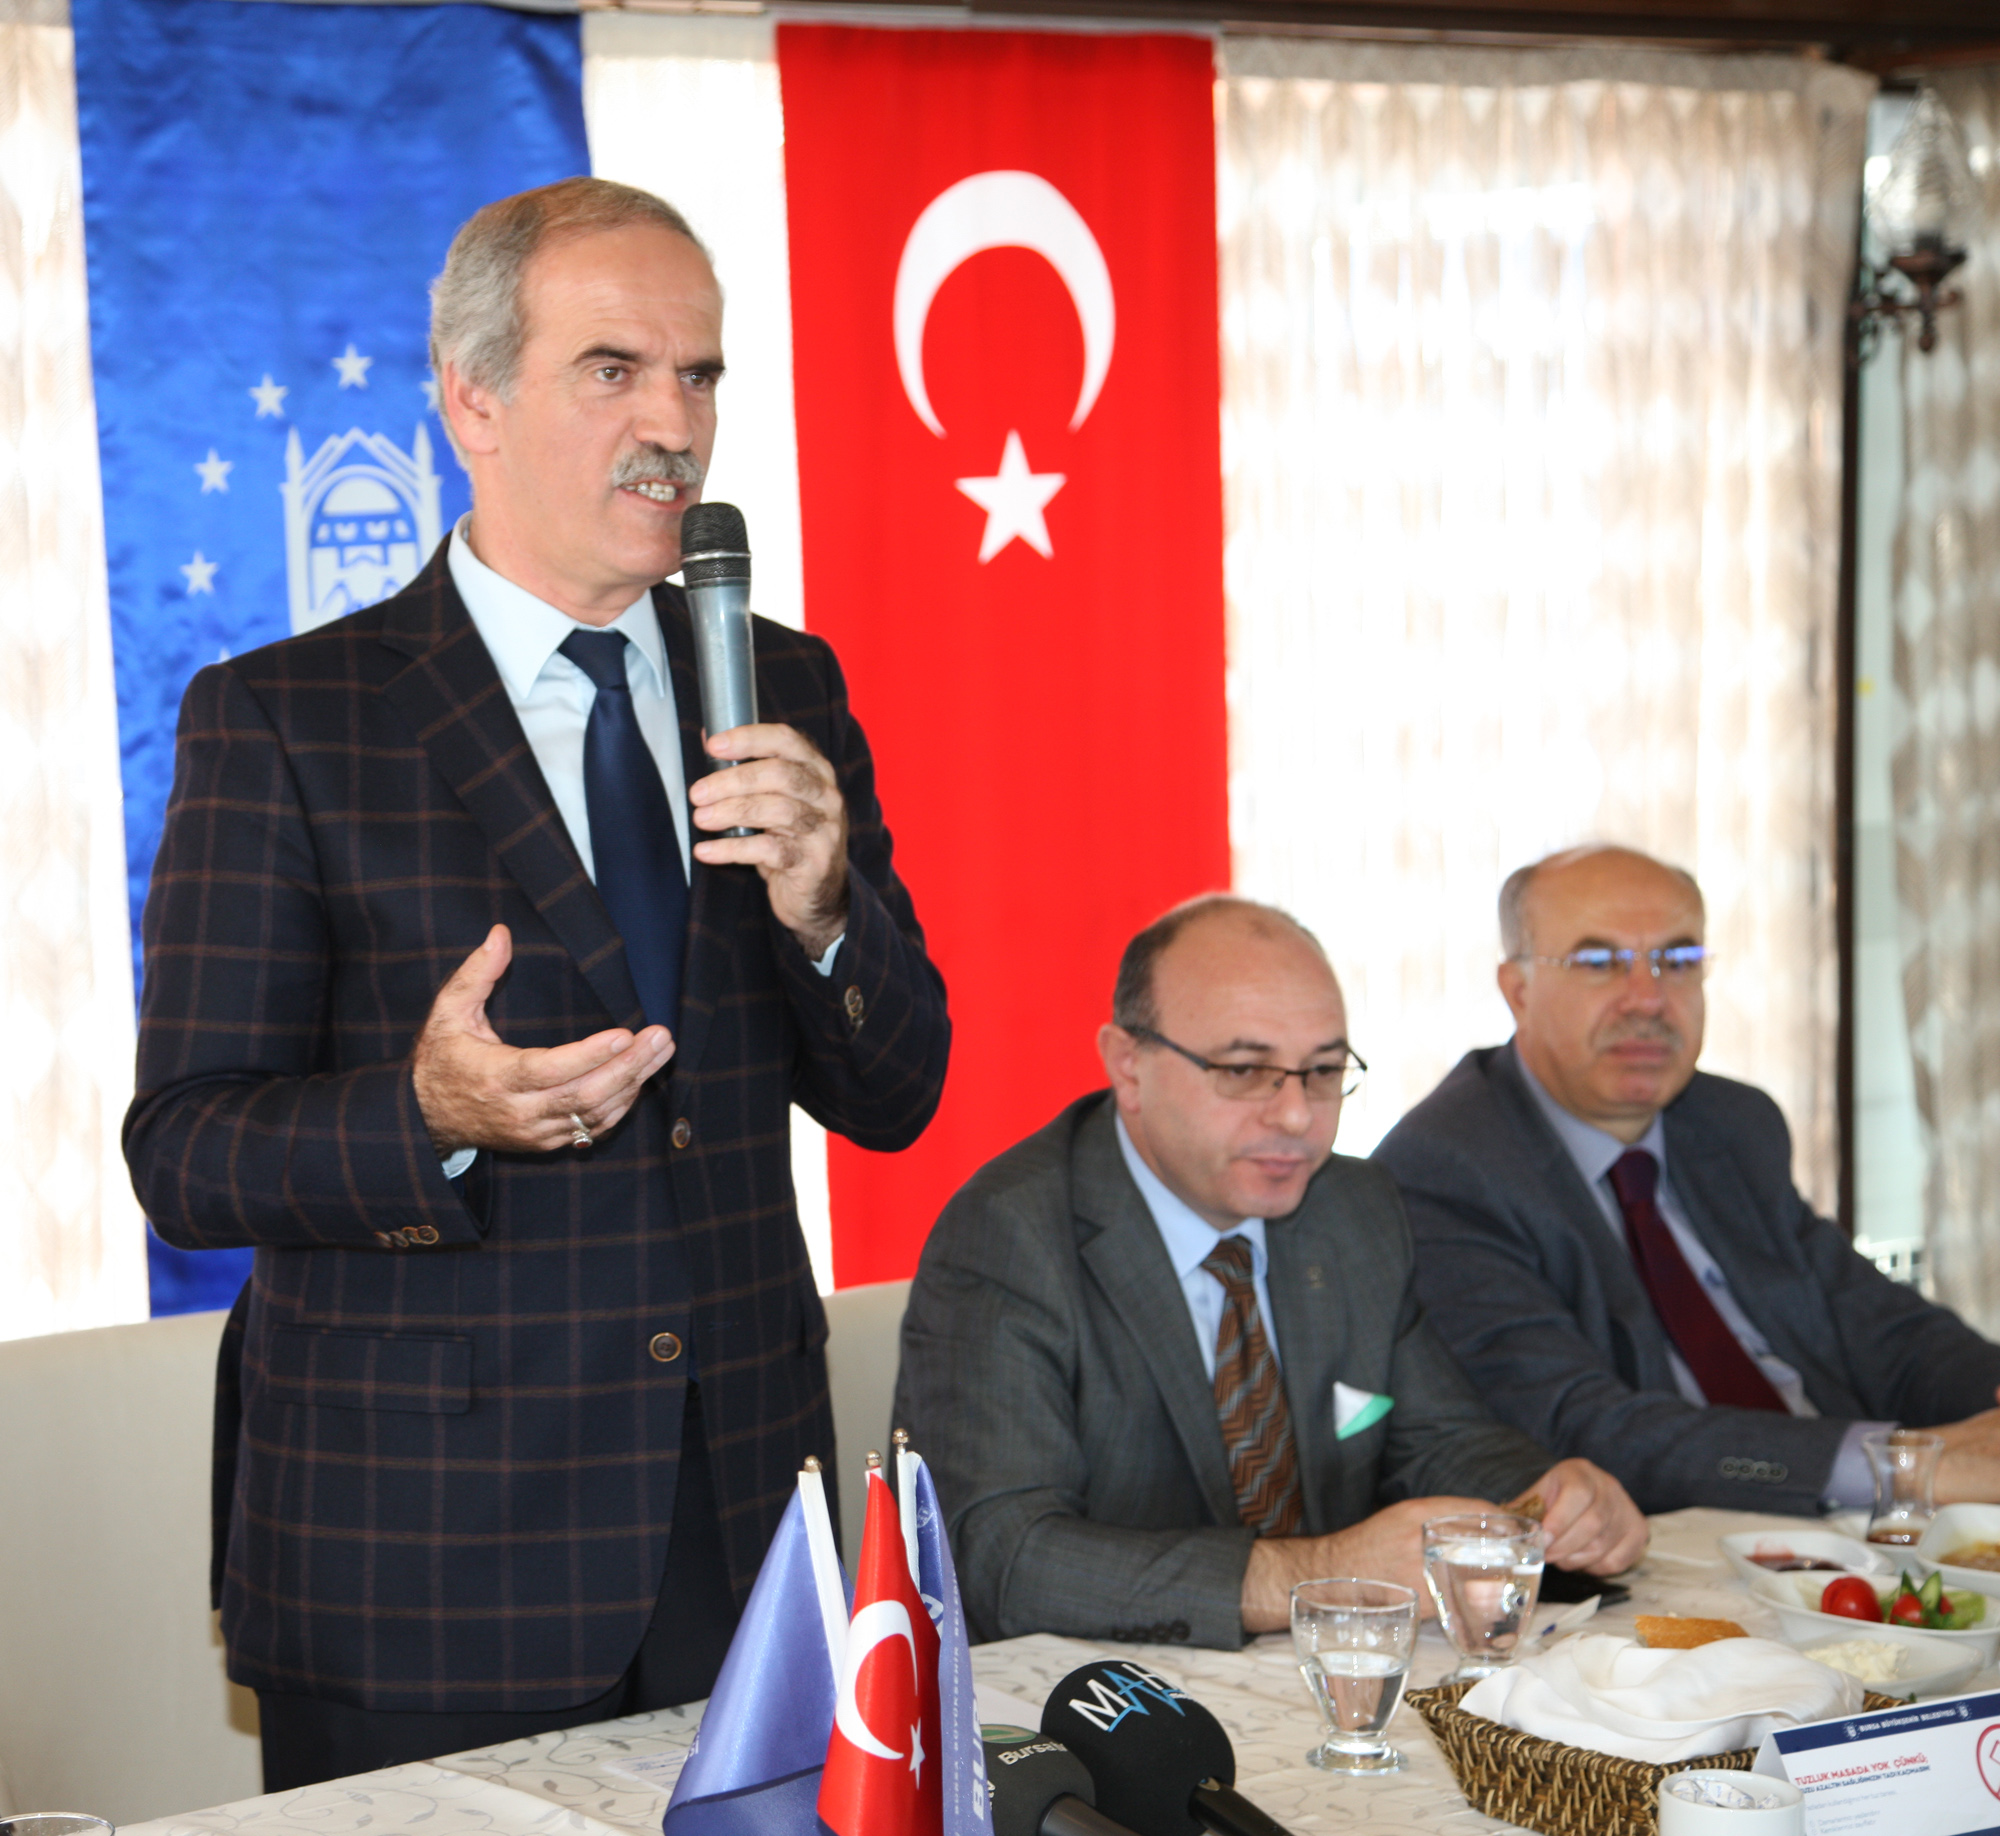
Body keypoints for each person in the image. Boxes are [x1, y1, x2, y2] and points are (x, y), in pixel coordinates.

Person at [124, 178, 949, 1787]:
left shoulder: (781, 681)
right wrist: (428, 1114)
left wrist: (825, 911)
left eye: (700, 375)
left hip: (741, 1530)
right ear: (472, 399)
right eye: (614, 370)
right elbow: (187, 1152)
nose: (674, 427)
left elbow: (896, 1093)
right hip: (424, 1562)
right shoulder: (290, 719)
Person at [893, 896, 1645, 1649]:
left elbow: (1436, 1439)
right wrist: (1316, 1574)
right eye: (1245, 1070)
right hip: (1097, 1693)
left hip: (1316, 1677)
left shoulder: (1352, 1207)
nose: (1295, 1116)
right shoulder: (1009, 1235)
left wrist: (1551, 1497)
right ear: (1129, 1066)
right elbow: (1000, 1559)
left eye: (1322, 1071)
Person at [1374, 843, 2000, 1519]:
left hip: (1859, 1516)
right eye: (1598, 962)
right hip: (1684, 1535)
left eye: (1677, 961)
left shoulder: (1731, 1122)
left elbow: (1882, 1328)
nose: (1648, 999)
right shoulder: (1446, 1165)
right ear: (1517, 990)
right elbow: (1586, 1429)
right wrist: (1903, 1468)